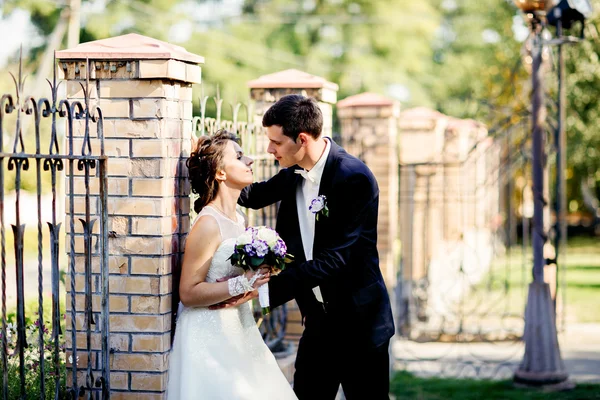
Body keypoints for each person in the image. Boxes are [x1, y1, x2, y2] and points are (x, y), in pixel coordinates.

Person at [226, 94, 395, 399]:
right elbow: (250, 195)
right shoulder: (293, 173)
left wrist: (262, 291)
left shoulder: (354, 177)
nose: (269, 149)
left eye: (276, 142)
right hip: (318, 324)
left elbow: (336, 259)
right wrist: (216, 162)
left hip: (360, 323)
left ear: (301, 139)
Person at [166, 130, 298, 400]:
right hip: (207, 334)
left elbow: (238, 283)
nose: (249, 160)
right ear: (220, 173)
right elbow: (188, 294)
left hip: (239, 327)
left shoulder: (238, 218)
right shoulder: (207, 223)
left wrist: (255, 282)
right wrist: (243, 282)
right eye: (238, 156)